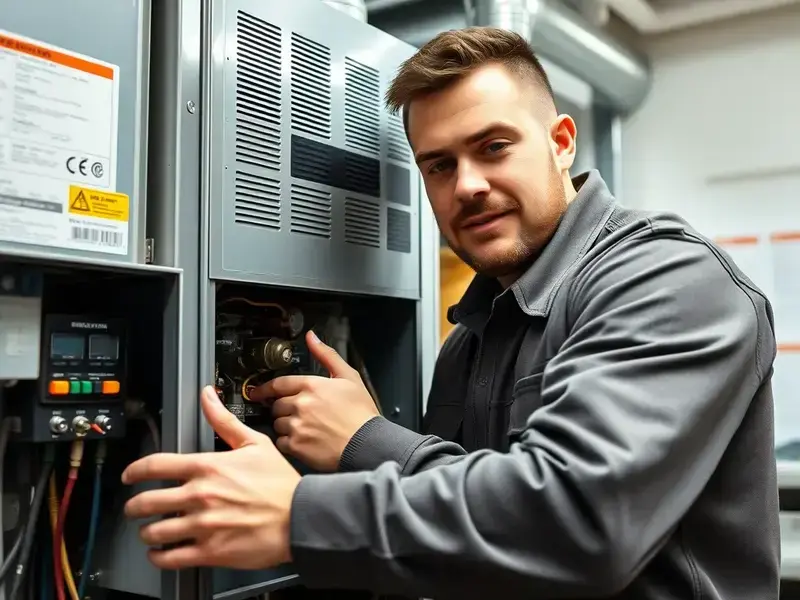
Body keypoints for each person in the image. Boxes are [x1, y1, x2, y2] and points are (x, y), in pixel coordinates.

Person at [121, 27, 780, 599]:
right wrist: (363, 439)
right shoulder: (470, 339)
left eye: (494, 147)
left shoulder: (666, 279)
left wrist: (309, 502)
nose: (467, 184)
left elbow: (581, 524)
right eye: (439, 166)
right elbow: (471, 520)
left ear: (561, 142)